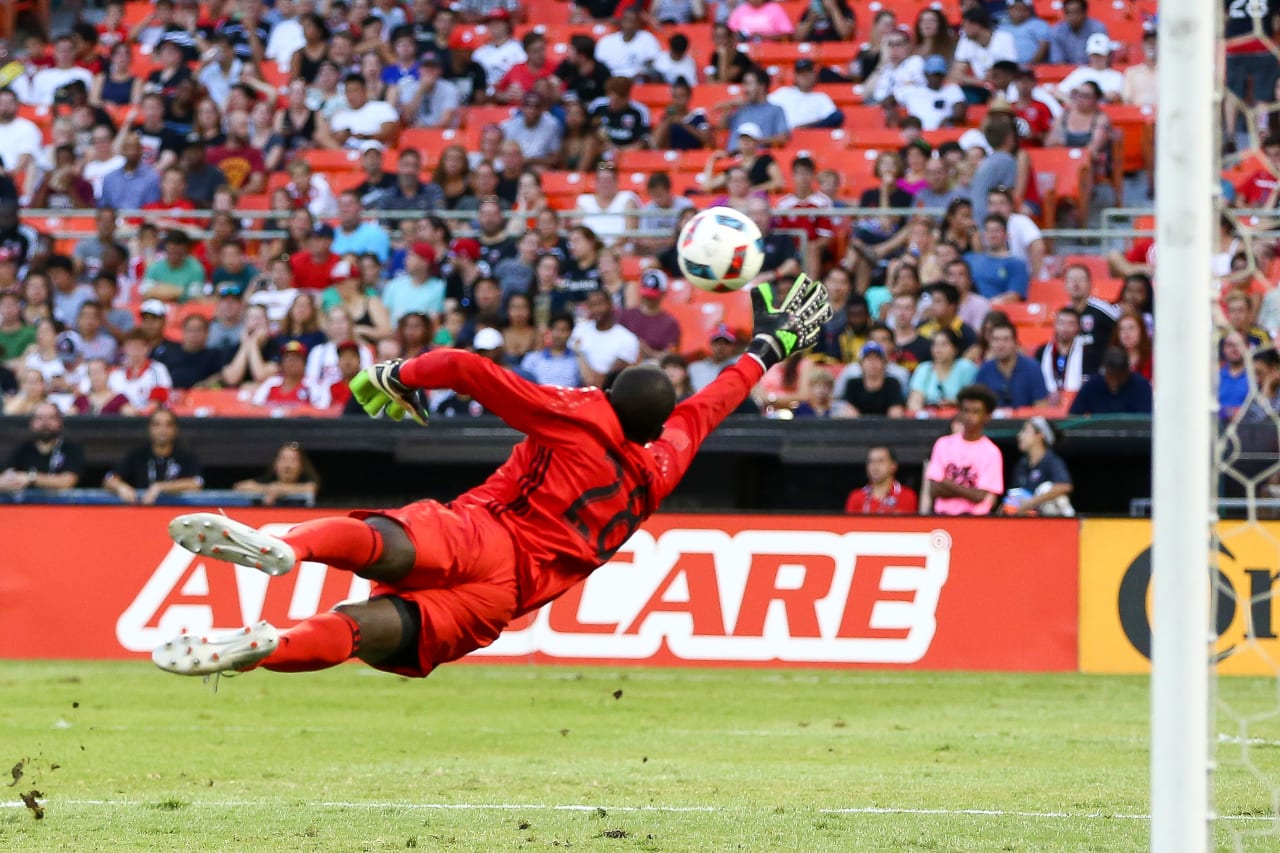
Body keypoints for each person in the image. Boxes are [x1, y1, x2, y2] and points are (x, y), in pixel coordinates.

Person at [152, 275, 833, 678]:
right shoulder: (663, 460)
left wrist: (395, 373)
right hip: (504, 597)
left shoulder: (583, 416)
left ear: (609, 394)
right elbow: (709, 405)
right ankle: (274, 643)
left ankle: (290, 548)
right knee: (358, 628)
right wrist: (766, 348)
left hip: (488, 531)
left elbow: (466, 368)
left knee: (381, 537)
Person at [923, 384, 1003, 516]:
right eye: (965, 410)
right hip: (942, 516)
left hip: (975, 520)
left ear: (987, 416)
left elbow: (980, 496)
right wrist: (968, 491)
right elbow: (934, 490)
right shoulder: (943, 443)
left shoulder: (992, 452)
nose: (969, 416)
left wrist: (946, 482)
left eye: (976, 411)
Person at [102, 408, 204, 505]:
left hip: (176, 515)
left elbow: (196, 483)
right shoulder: (137, 455)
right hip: (142, 514)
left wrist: (160, 487)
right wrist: (121, 487)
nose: (162, 430)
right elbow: (109, 479)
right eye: (157, 424)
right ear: (149, 428)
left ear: (175, 429)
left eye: (168, 425)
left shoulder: (186, 456)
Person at [0, 403, 86, 493]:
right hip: (28, 505)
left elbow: (68, 482)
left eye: (51, 418)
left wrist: (31, 478)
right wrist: (8, 482)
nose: (45, 423)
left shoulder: (72, 448)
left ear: (60, 422)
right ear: (32, 423)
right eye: (40, 418)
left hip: (63, 505)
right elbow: (5, 475)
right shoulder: (23, 449)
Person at [1004, 416, 1074, 516]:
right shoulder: (1021, 464)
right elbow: (1014, 494)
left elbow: (1065, 486)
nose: (1020, 435)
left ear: (1040, 435)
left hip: (1048, 520)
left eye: (1025, 431)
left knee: (1047, 489)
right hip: (1026, 519)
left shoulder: (1052, 461)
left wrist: (1031, 503)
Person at [974, 321, 1048, 409]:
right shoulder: (984, 370)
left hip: (1026, 421)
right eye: (996, 340)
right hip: (993, 422)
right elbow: (977, 406)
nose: (1001, 345)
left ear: (1015, 343)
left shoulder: (1033, 369)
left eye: (1006, 339)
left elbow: (1041, 406)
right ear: (990, 343)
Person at [1068, 346, 1153, 415]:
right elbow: (1073, 417)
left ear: (1127, 372)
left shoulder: (1141, 387)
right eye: (1111, 377)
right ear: (1105, 372)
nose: (1115, 382)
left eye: (1119, 378)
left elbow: (1148, 423)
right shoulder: (1093, 386)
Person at [233, 442, 321, 506]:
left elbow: (311, 488)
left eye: (293, 460)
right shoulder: (267, 481)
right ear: (275, 465)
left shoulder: (308, 482)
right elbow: (240, 487)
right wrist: (269, 489)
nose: (287, 465)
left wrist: (281, 489)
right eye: (283, 459)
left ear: (301, 466)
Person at [845, 445, 918, 515]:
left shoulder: (907, 496)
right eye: (871, 461)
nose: (875, 466)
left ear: (893, 466)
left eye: (881, 461)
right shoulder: (856, 497)